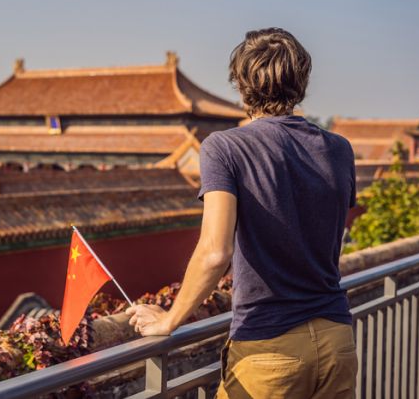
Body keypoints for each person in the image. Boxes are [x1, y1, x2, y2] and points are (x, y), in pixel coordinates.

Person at [126, 27, 358, 398]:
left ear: (241, 84)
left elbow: (216, 251)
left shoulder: (225, 147)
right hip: (336, 338)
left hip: (270, 347)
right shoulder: (339, 149)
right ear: (301, 81)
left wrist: (169, 320)